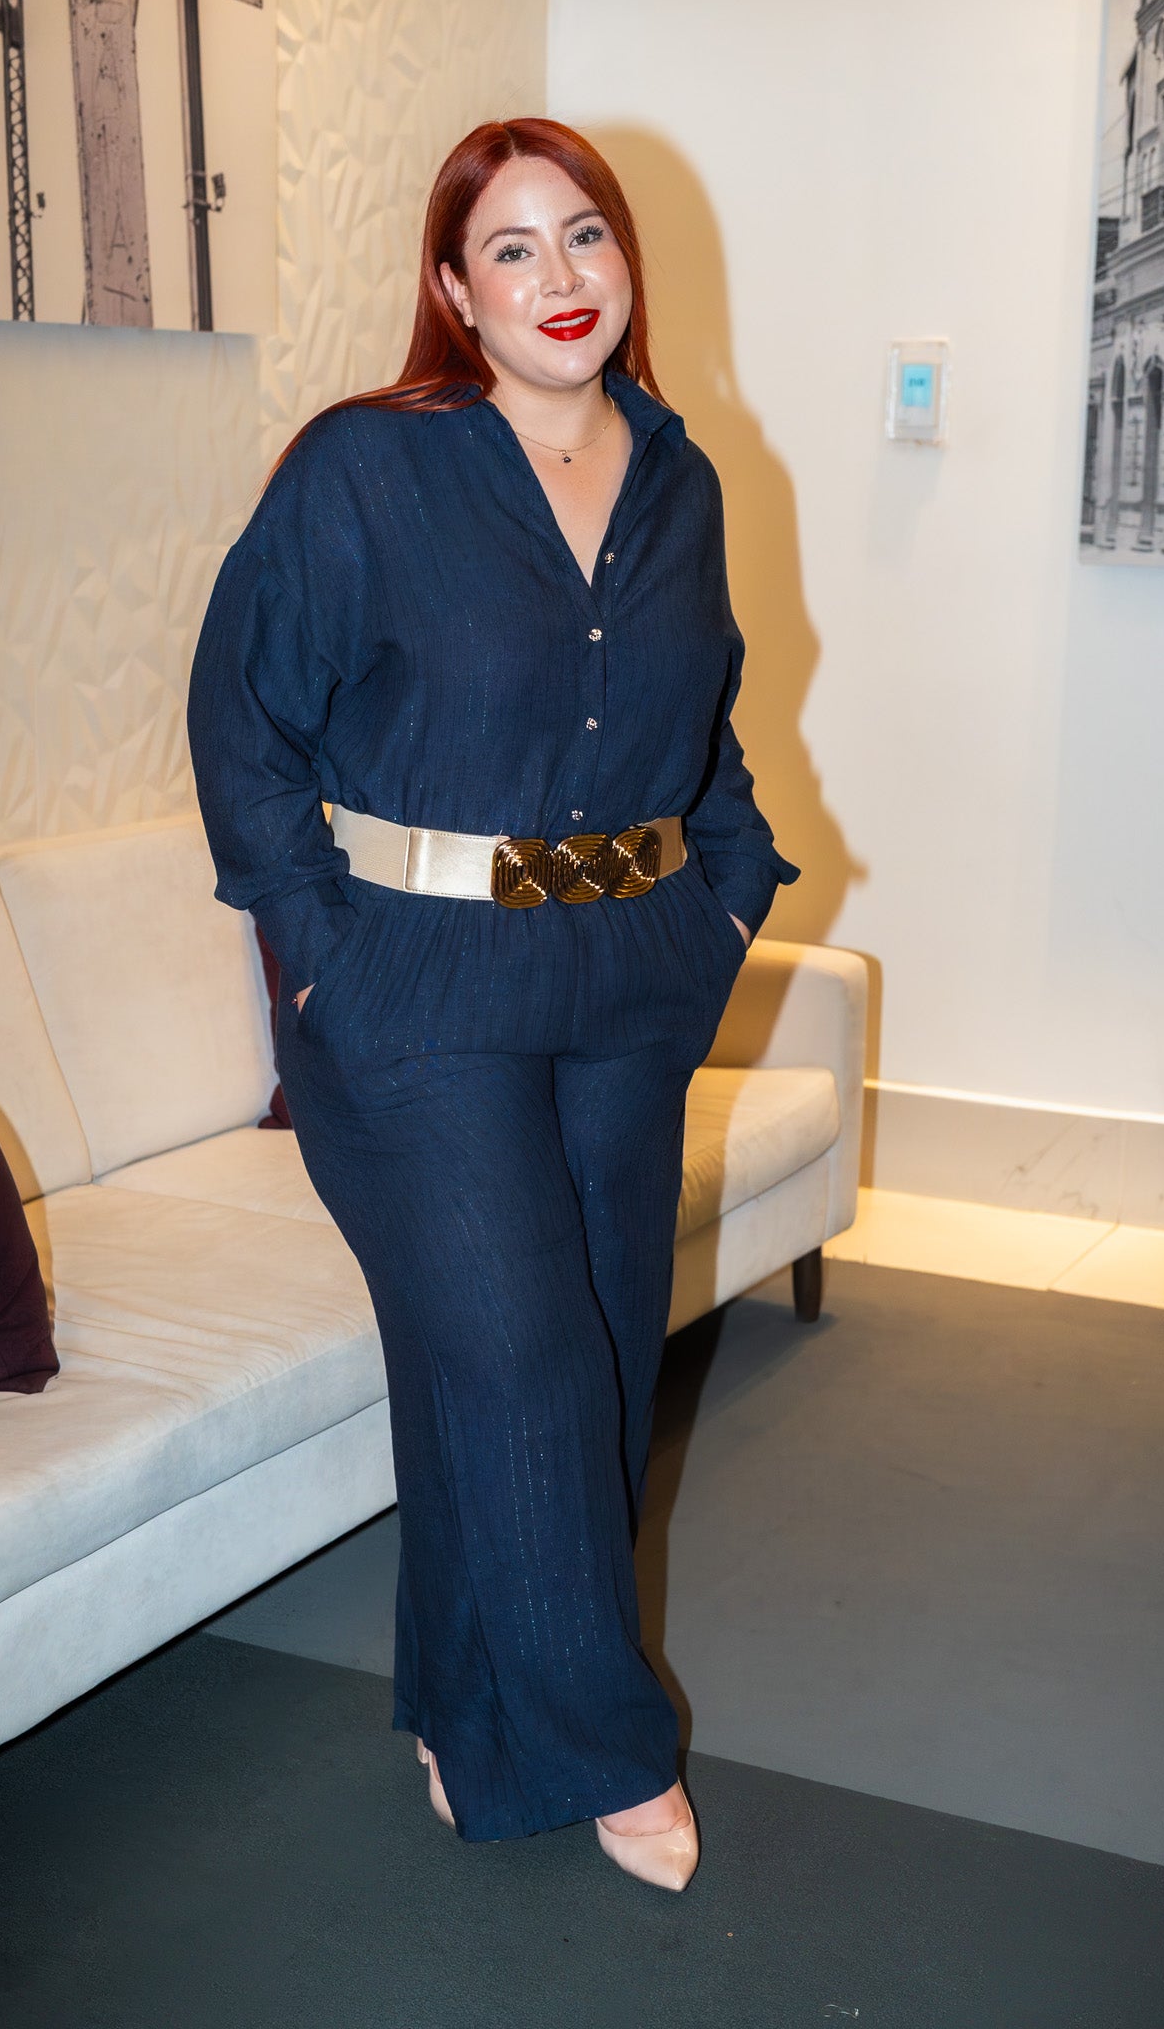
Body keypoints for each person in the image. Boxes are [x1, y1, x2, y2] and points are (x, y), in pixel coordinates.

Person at [186, 117, 800, 1892]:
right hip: (412, 983)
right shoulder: (365, 470)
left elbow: (702, 721)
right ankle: (613, 1755)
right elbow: (243, 723)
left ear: (624, 262)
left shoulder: (679, 474)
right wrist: (319, 953)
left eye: (582, 235)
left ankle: (466, 1709)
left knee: (585, 1366)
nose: (558, 278)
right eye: (510, 249)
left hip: (628, 977)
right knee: (517, 1359)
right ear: (453, 291)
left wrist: (724, 901)